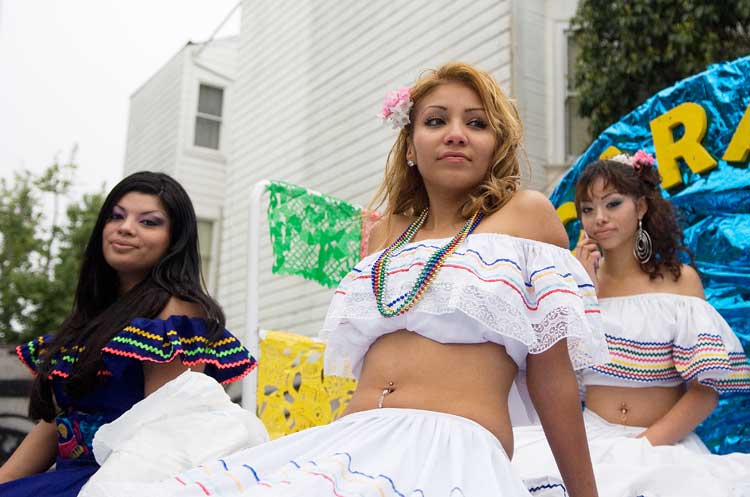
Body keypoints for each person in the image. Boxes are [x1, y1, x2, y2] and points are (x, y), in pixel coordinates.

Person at [82, 62, 607, 497]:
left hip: (449, 448)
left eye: (476, 122)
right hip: (348, 440)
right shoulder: (385, 235)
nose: (455, 134)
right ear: (409, 142)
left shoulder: (527, 216)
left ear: (497, 143)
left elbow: (551, 374)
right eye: (435, 120)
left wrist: (585, 495)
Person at [0, 172, 259, 497]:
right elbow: (57, 425)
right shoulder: (94, 316)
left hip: (119, 485)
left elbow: (165, 438)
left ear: (173, 239)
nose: (125, 227)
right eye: (116, 216)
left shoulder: (175, 312)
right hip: (65, 481)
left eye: (149, 222)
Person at [512, 153, 750, 497]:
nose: (600, 218)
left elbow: (706, 391)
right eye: (588, 209)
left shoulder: (680, 282)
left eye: (613, 203)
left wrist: (644, 445)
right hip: (588, 439)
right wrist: (583, 292)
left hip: (661, 446)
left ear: (640, 208)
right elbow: (555, 375)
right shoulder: (575, 281)